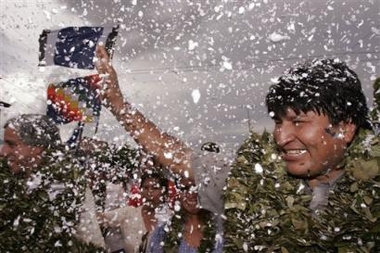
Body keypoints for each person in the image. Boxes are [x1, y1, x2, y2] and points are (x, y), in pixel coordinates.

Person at [223, 58, 380, 252]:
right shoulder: (253, 178)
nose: (281, 138)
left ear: (345, 128)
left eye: (298, 122)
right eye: (279, 123)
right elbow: (188, 163)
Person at [95, 45, 228, 250]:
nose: (191, 193)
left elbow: (177, 156)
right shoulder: (162, 235)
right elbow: (171, 154)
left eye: (199, 185)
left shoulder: (230, 228)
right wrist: (117, 104)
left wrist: (119, 104)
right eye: (184, 187)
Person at [0, 114, 106, 252]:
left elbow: (90, 242)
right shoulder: (7, 176)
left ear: (37, 147)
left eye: (12, 144)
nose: (3, 152)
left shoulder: (68, 187)